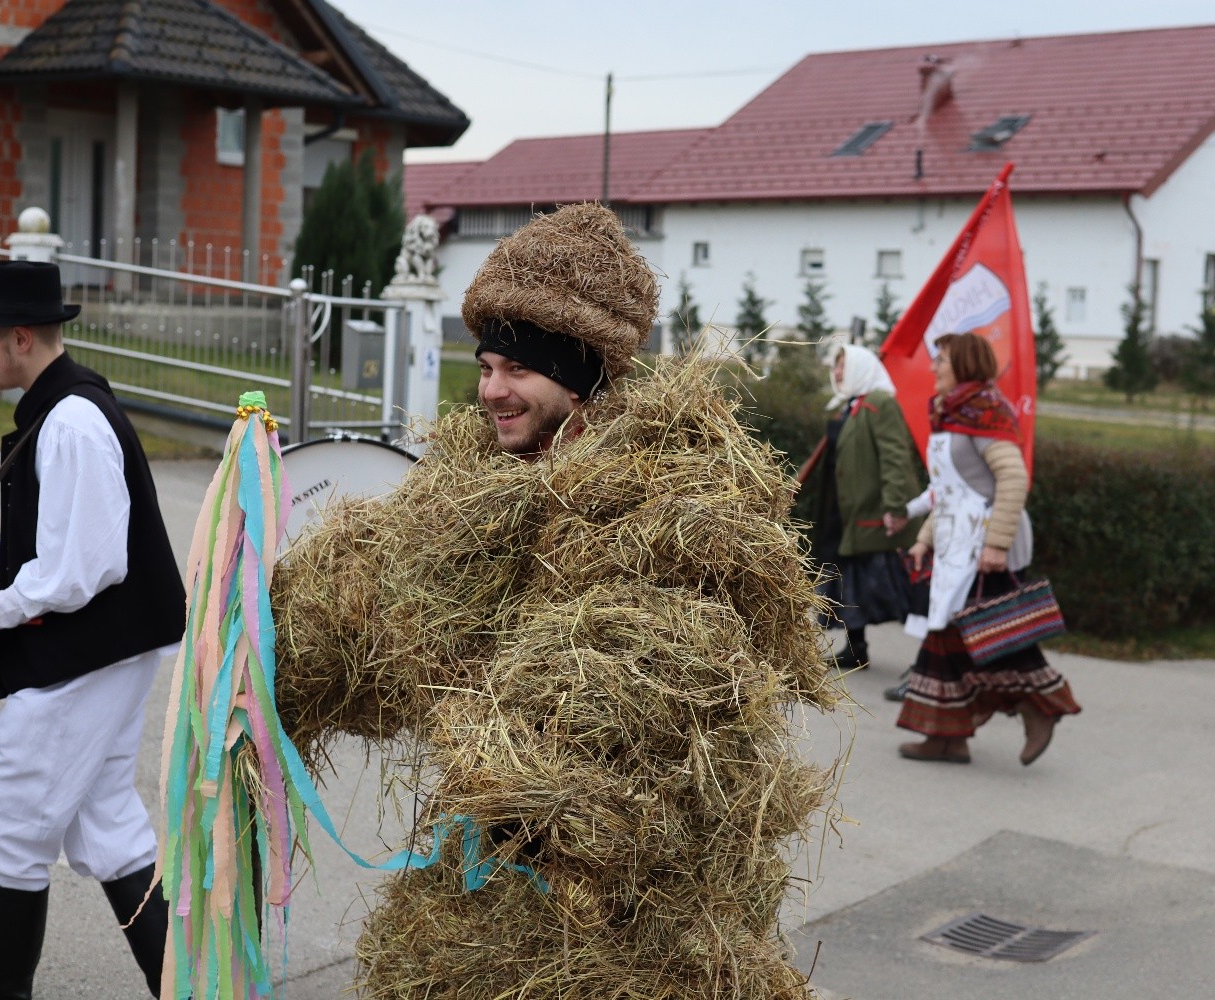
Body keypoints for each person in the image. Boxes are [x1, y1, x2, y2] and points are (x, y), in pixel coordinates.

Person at [270, 204, 836, 998]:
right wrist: (267, 611)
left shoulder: (673, 513)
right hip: (490, 895)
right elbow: (368, 620)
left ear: (581, 375)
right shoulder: (480, 487)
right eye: (486, 365)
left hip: (622, 933)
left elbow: (610, 725)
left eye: (518, 370)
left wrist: (483, 719)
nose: (492, 391)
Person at [0, 260, 185, 999]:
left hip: (90, 648)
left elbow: (85, 568)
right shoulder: (60, 408)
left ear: (19, 337)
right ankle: (186, 988)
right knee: (107, 827)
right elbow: (67, 534)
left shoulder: (72, 419)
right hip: (109, 645)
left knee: (12, 825)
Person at [892, 332, 1080, 766]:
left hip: (984, 543)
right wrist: (924, 539)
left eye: (942, 360)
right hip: (957, 541)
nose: (934, 367)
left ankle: (1041, 709)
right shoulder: (949, 414)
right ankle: (946, 739)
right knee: (946, 637)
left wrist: (996, 543)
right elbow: (949, 490)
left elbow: (1013, 480)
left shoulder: (985, 412)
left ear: (966, 365)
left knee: (999, 634)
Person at [813, 343, 922, 671]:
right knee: (849, 581)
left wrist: (895, 505)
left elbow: (894, 456)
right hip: (852, 514)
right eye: (835, 367)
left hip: (877, 514)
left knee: (900, 589)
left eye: (843, 365)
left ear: (862, 367)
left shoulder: (879, 404)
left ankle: (934, 657)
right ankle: (855, 647)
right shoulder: (852, 406)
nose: (838, 373)